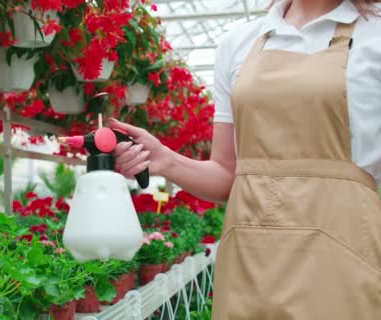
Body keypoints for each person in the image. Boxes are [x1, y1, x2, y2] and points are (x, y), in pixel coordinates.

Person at [110, 0, 381, 318]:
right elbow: (227, 171)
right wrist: (165, 160)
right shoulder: (240, 41)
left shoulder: (373, 33)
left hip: (344, 255)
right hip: (251, 260)